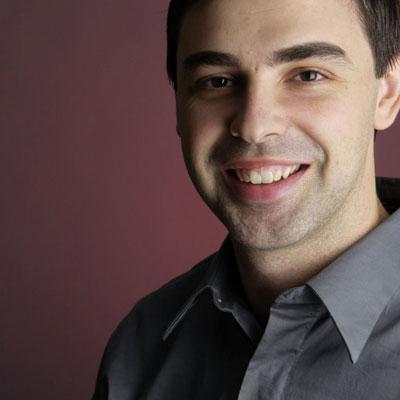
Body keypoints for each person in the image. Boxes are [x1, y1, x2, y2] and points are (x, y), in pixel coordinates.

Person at [92, 0, 400, 398]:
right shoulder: (139, 351)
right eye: (217, 81)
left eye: (307, 75)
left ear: (387, 94)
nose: (254, 126)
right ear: (178, 105)